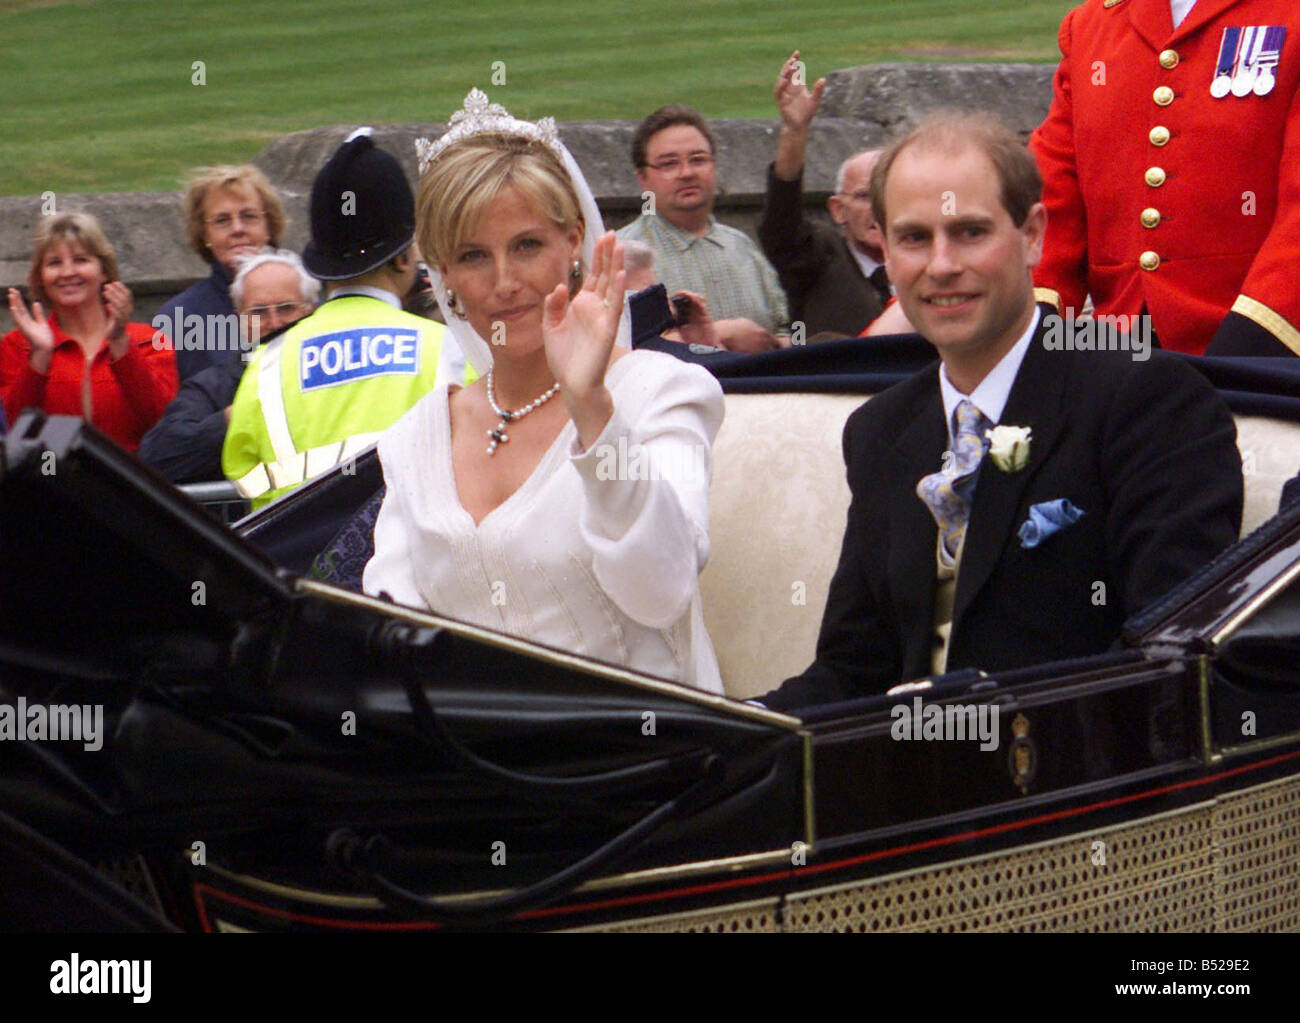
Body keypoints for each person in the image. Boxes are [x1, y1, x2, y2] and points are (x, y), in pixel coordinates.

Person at [760, 111, 1243, 711]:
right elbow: (854, 668)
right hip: (906, 778)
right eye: (914, 238)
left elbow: (1172, 666)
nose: (941, 265)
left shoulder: (1147, 401)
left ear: (1033, 234)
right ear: (883, 248)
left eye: (969, 232)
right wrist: (739, 731)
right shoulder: (881, 429)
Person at [363, 89, 726, 695]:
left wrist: (592, 410)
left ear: (573, 244)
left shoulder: (664, 392)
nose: (506, 283)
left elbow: (661, 593)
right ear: (443, 275)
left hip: (643, 757)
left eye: (527, 245)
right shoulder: (416, 437)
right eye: (474, 255)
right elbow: (391, 637)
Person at [1030, 0, 1300, 357]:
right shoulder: (1093, 26)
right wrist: (1028, 332)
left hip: (1264, 359)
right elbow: (1050, 204)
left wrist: (1249, 350)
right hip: (1123, 360)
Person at [222, 129, 456, 508]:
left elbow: (245, 481)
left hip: (298, 564)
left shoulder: (265, 368)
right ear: (402, 257)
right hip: (418, 562)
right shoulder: (450, 350)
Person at [617, 104, 788, 353]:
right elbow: (619, 350)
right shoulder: (624, 255)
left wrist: (772, 343)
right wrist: (718, 336)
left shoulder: (743, 245)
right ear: (643, 178)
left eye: (698, 160)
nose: (686, 173)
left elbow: (791, 330)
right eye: (669, 164)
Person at [3, 213, 178, 453]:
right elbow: (13, 432)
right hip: (47, 485)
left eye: (80, 260)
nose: (67, 272)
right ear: (40, 277)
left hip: (130, 485)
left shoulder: (149, 340)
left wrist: (120, 344)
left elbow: (164, 424)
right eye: (54, 263)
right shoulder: (17, 346)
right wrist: (40, 356)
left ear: (103, 270)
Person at [139, 249, 318, 483]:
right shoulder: (214, 384)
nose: (274, 323)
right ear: (240, 320)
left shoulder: (339, 363)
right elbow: (157, 456)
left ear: (312, 310)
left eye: (286, 308)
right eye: (258, 312)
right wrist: (238, 416)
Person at [759, 50, 890, 338]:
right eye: (864, 196)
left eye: (888, 194)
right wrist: (795, 131)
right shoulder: (820, 259)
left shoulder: (927, 260)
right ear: (838, 210)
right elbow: (782, 230)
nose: (879, 208)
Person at [156, 165, 288, 382]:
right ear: (204, 234)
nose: (237, 229)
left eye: (249, 216)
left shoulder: (304, 300)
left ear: (268, 227)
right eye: (222, 220)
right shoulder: (179, 319)